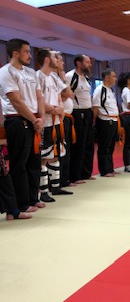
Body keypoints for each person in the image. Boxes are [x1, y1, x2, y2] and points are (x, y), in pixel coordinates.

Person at [0, 39, 45, 218]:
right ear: (15, 53)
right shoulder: (5, 72)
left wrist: (41, 119)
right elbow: (16, 101)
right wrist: (34, 120)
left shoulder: (31, 72)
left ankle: (33, 198)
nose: (30, 55)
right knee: (20, 164)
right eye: (26, 51)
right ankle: (21, 203)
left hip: (35, 119)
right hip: (17, 120)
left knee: (34, 162)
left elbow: (39, 97)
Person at [36, 48, 70, 202]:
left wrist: (60, 107)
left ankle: (55, 186)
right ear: (47, 60)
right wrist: (54, 109)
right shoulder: (38, 76)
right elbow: (39, 99)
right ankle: (43, 191)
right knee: (44, 156)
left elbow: (60, 96)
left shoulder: (55, 77)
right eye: (55, 58)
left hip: (57, 121)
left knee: (56, 153)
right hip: (46, 121)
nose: (58, 61)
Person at [66, 54, 95, 183]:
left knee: (89, 144)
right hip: (77, 112)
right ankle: (75, 176)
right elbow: (65, 93)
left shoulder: (87, 78)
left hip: (88, 111)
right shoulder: (70, 76)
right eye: (87, 62)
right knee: (79, 145)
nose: (90, 64)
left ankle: (86, 173)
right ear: (78, 63)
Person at [92, 69, 119, 177]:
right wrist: (94, 121)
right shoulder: (100, 90)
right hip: (105, 120)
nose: (115, 79)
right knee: (104, 146)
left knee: (111, 146)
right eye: (113, 76)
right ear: (106, 78)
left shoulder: (110, 90)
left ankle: (110, 168)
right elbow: (95, 107)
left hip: (114, 120)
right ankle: (104, 170)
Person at [54, 52, 76, 189]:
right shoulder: (55, 78)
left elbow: (70, 95)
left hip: (67, 117)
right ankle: (58, 181)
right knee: (59, 150)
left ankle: (64, 179)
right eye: (61, 61)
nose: (63, 63)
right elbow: (68, 93)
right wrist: (64, 80)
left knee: (66, 150)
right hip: (58, 118)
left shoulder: (60, 78)